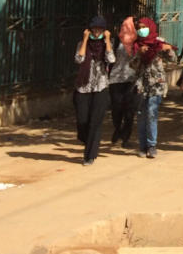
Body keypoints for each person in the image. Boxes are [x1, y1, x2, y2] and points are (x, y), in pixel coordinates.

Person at [74, 15, 114, 165]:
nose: (96, 32)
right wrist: (85, 40)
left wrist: (108, 40)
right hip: (83, 87)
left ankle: (89, 155)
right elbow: (79, 59)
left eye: (99, 29)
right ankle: (87, 141)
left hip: (101, 87)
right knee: (82, 120)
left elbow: (111, 59)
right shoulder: (82, 43)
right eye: (94, 29)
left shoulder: (106, 44)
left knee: (95, 122)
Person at [132, 17, 175, 159]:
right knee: (141, 114)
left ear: (150, 27)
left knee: (152, 112)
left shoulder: (158, 41)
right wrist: (139, 54)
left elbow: (173, 59)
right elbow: (131, 65)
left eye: (144, 27)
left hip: (157, 84)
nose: (141, 30)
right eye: (139, 28)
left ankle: (152, 145)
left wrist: (167, 50)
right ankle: (142, 145)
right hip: (141, 84)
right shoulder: (136, 45)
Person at [108, 16, 139, 148]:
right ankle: (117, 129)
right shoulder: (115, 41)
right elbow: (110, 58)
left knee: (129, 110)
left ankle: (126, 137)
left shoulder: (138, 42)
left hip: (131, 79)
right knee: (116, 108)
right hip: (115, 79)